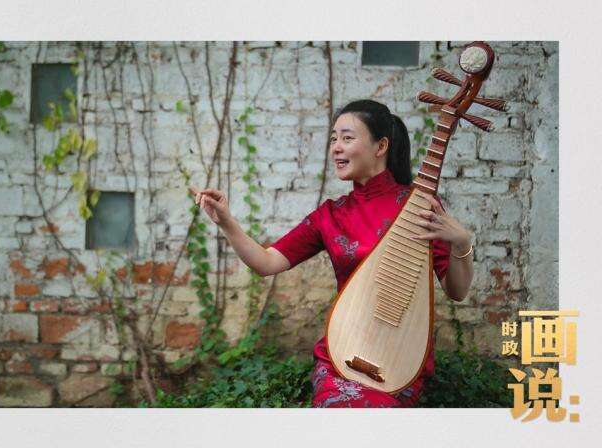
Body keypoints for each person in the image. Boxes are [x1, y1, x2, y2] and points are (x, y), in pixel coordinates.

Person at [189, 99, 474, 407]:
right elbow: (266, 262)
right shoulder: (330, 215)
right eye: (334, 138)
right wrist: (226, 222)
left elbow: (456, 291)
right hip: (342, 354)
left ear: (380, 146)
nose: (336, 147)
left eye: (347, 138)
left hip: (397, 360)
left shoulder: (419, 209)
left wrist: (461, 244)